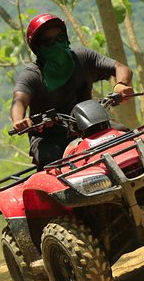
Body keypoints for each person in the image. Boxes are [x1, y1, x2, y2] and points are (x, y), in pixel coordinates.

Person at [10, 13, 135, 169]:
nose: (56, 44)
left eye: (60, 38)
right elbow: (19, 100)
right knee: (51, 162)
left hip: (91, 125)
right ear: (37, 48)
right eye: (48, 42)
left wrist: (120, 85)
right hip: (50, 137)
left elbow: (120, 68)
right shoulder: (33, 75)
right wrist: (19, 120)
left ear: (67, 38)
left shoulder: (82, 58)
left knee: (127, 137)